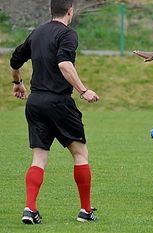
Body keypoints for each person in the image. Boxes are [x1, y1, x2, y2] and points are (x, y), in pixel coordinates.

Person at [10, 0, 99, 224]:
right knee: (80, 154)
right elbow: (64, 64)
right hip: (58, 102)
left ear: (51, 11)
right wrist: (84, 90)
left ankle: (30, 209)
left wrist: (18, 82)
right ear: (71, 11)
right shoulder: (68, 34)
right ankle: (86, 211)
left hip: (35, 102)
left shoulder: (37, 33)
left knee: (39, 157)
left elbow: (14, 59)